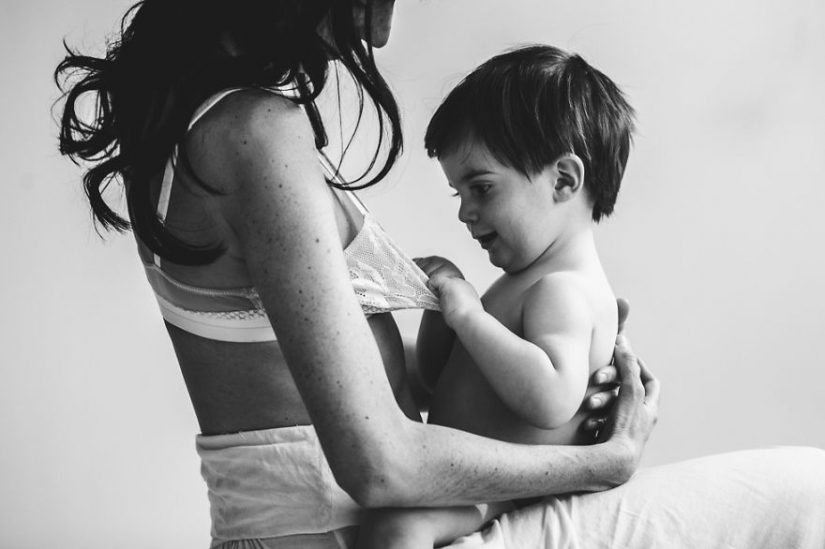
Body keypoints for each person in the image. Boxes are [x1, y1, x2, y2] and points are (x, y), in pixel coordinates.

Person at [53, 2, 825, 549]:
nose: (381, 29)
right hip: (342, 528)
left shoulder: (200, 127)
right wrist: (601, 461)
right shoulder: (254, 132)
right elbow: (381, 464)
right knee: (806, 494)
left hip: (323, 526)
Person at [358, 43, 636, 549]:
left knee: (396, 532)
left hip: (504, 494)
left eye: (482, 188)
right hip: (474, 484)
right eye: (458, 193)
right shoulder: (523, 281)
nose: (465, 212)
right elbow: (436, 380)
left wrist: (468, 316)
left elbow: (551, 398)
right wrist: (442, 312)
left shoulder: (564, 291)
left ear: (564, 180)